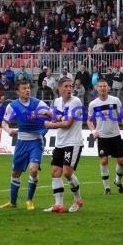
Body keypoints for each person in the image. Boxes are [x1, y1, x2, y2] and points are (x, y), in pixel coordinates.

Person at [0, 80, 51, 211]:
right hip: (21, 142)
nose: (27, 90)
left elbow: (52, 114)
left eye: (28, 88)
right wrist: (9, 130)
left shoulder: (37, 103)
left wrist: (42, 115)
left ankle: (29, 200)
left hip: (35, 141)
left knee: (33, 170)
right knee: (15, 173)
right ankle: (12, 202)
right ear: (17, 91)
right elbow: (4, 123)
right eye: (24, 88)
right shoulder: (13, 105)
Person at [43, 77, 84, 213]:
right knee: (55, 172)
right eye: (66, 86)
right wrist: (45, 114)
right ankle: (58, 204)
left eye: (70, 86)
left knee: (67, 173)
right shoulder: (57, 101)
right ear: (59, 88)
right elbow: (57, 116)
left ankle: (78, 200)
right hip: (60, 142)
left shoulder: (76, 101)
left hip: (73, 142)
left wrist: (50, 124)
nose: (69, 89)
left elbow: (67, 123)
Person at [87, 79, 123, 195]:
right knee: (104, 161)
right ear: (96, 88)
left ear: (108, 88)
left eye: (104, 86)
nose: (102, 88)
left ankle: (118, 180)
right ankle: (107, 188)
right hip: (102, 137)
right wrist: (93, 131)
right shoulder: (93, 104)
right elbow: (90, 121)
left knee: (121, 161)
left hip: (115, 135)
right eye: (100, 86)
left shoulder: (115, 100)